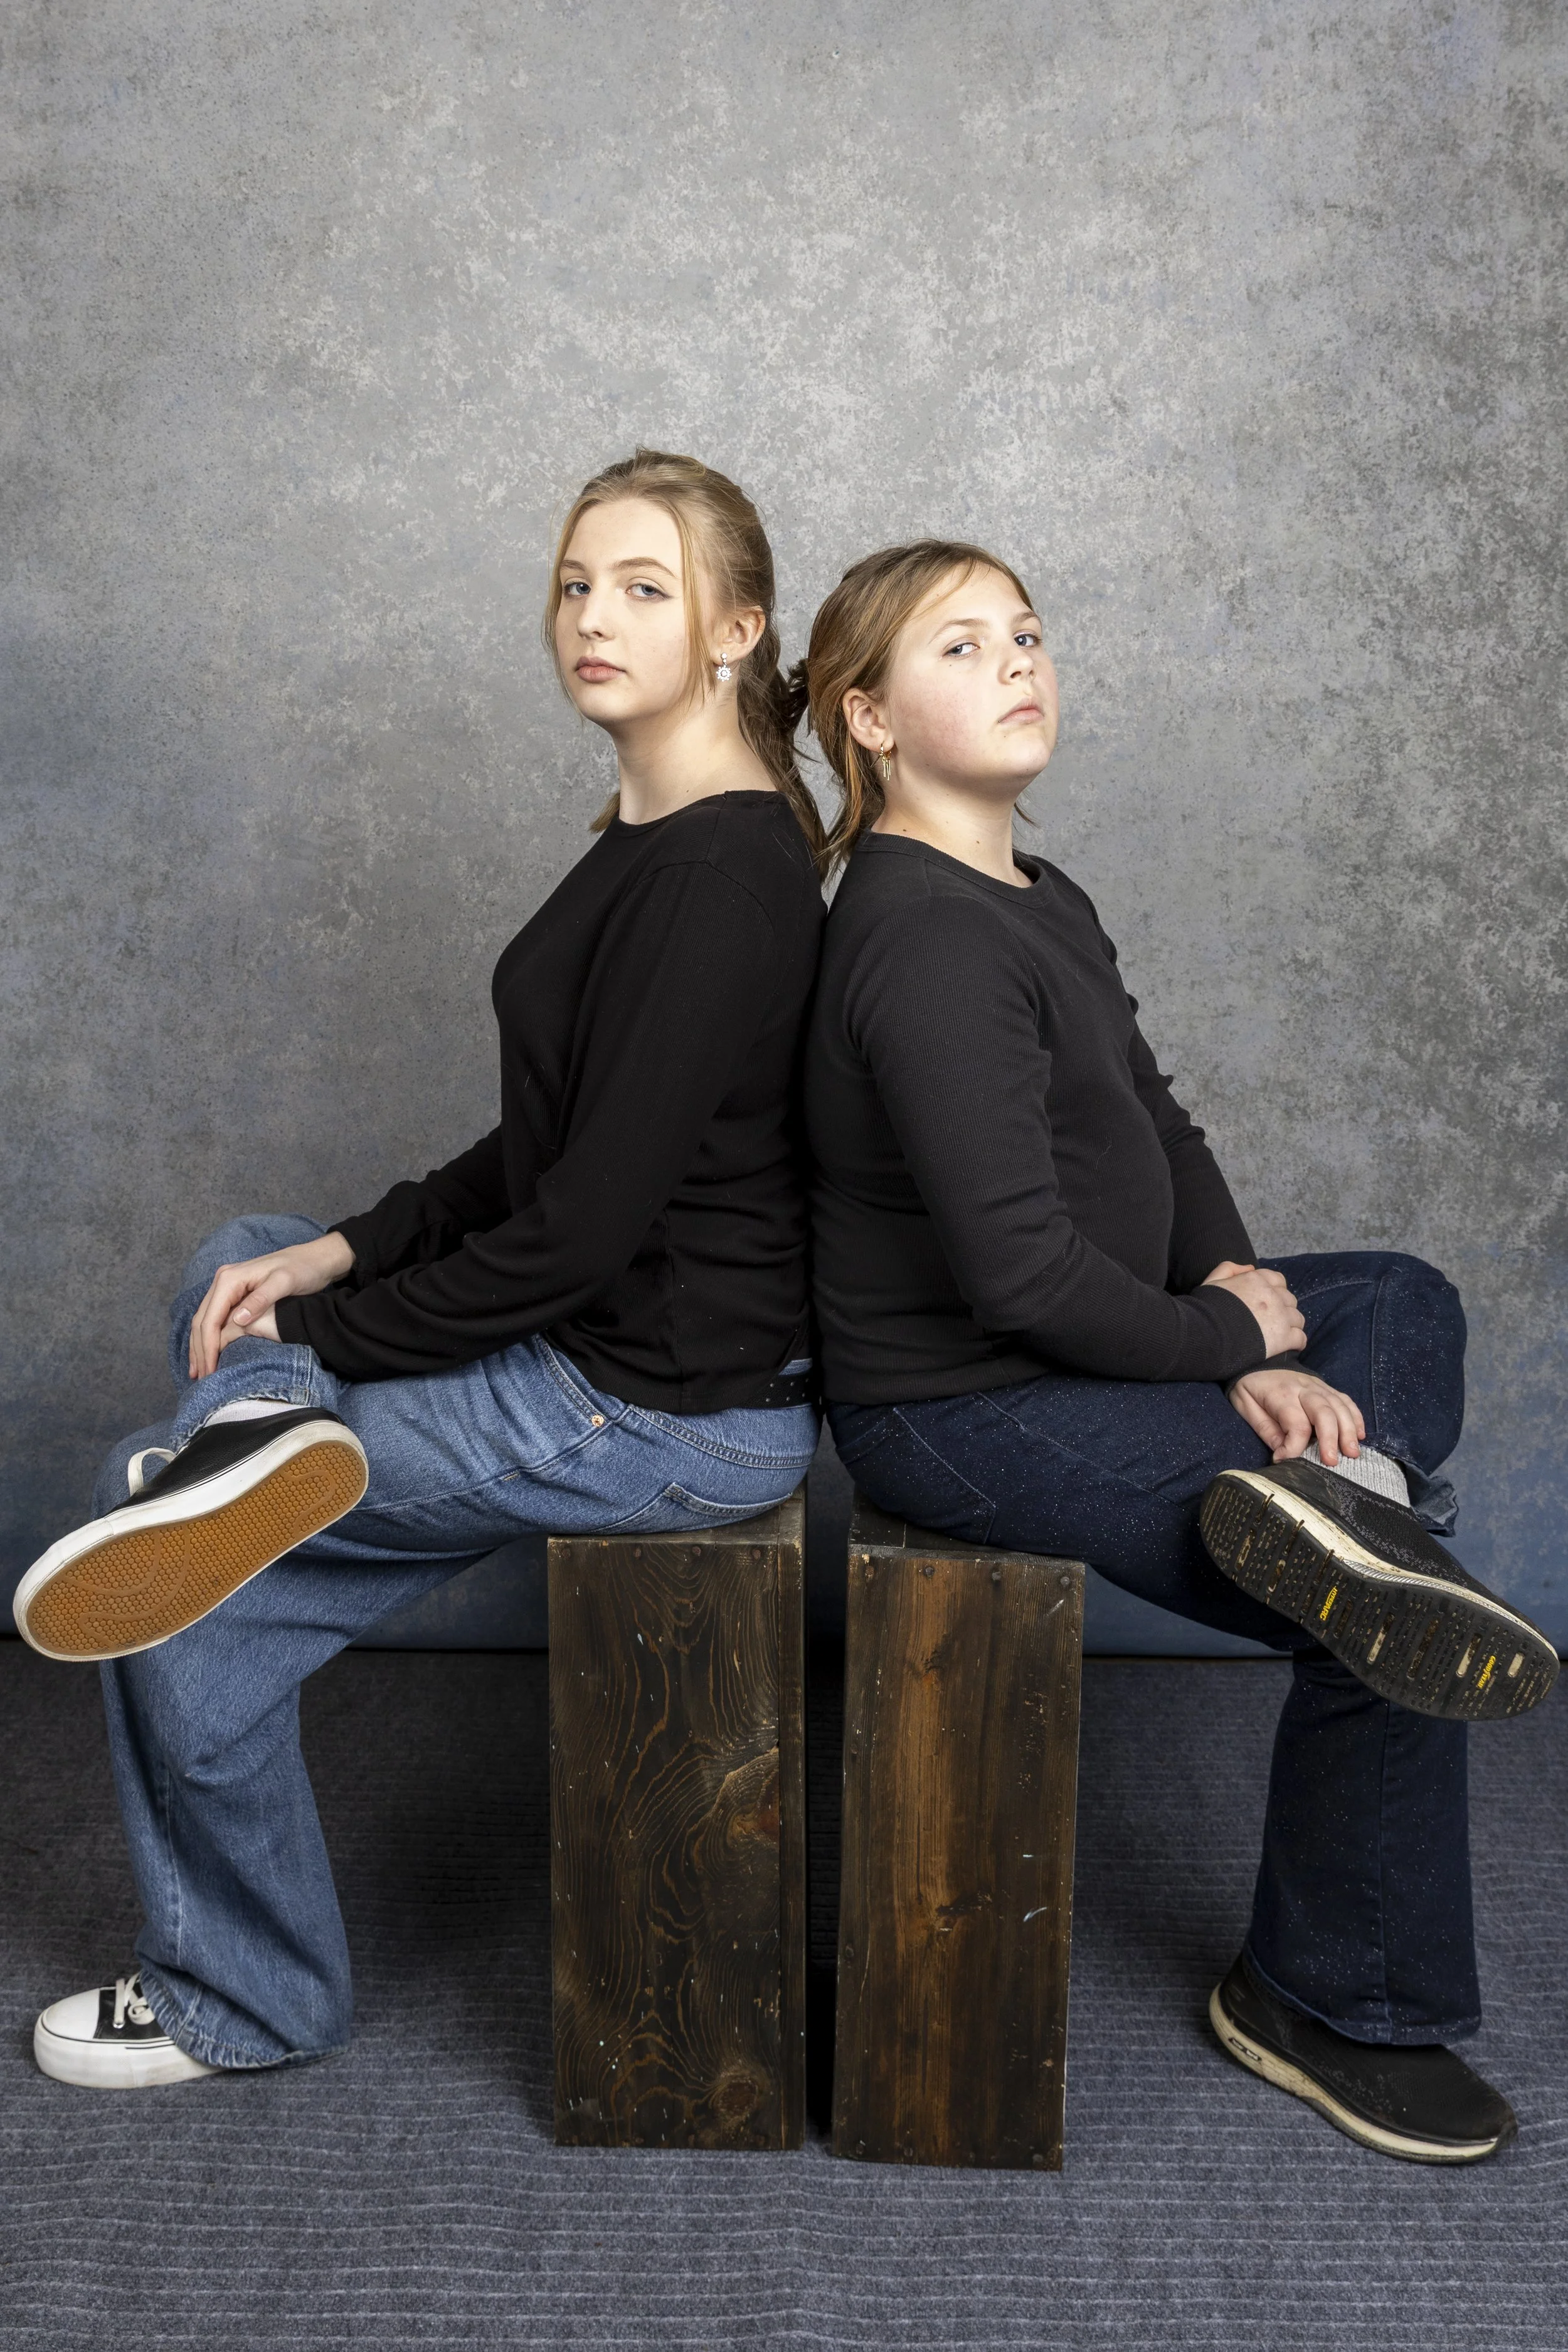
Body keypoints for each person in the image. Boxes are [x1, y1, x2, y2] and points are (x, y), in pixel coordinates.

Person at [18, 449, 827, 2089]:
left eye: (643, 589)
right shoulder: (645, 839)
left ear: (737, 629)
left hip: (661, 1412)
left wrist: (330, 1336)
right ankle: (256, 1447)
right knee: (240, 1251)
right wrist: (335, 1251)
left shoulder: (723, 880)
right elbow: (539, 1156)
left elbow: (580, 1233)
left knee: (159, 1552)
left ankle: (249, 1994)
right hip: (597, 1351)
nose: (590, 617)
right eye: (572, 584)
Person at [795, 537, 1556, 2165]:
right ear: (864, 715)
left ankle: (1344, 1490)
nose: (1016, 662)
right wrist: (1219, 1339)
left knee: (1395, 1293)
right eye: (959, 646)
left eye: (1027, 632)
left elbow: (1151, 1112)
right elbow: (1006, 1278)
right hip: (970, 1406)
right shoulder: (919, 939)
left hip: (1122, 1331)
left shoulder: (1035, 892)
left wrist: (1230, 1285)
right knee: (1388, 1606)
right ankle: (1331, 2000)